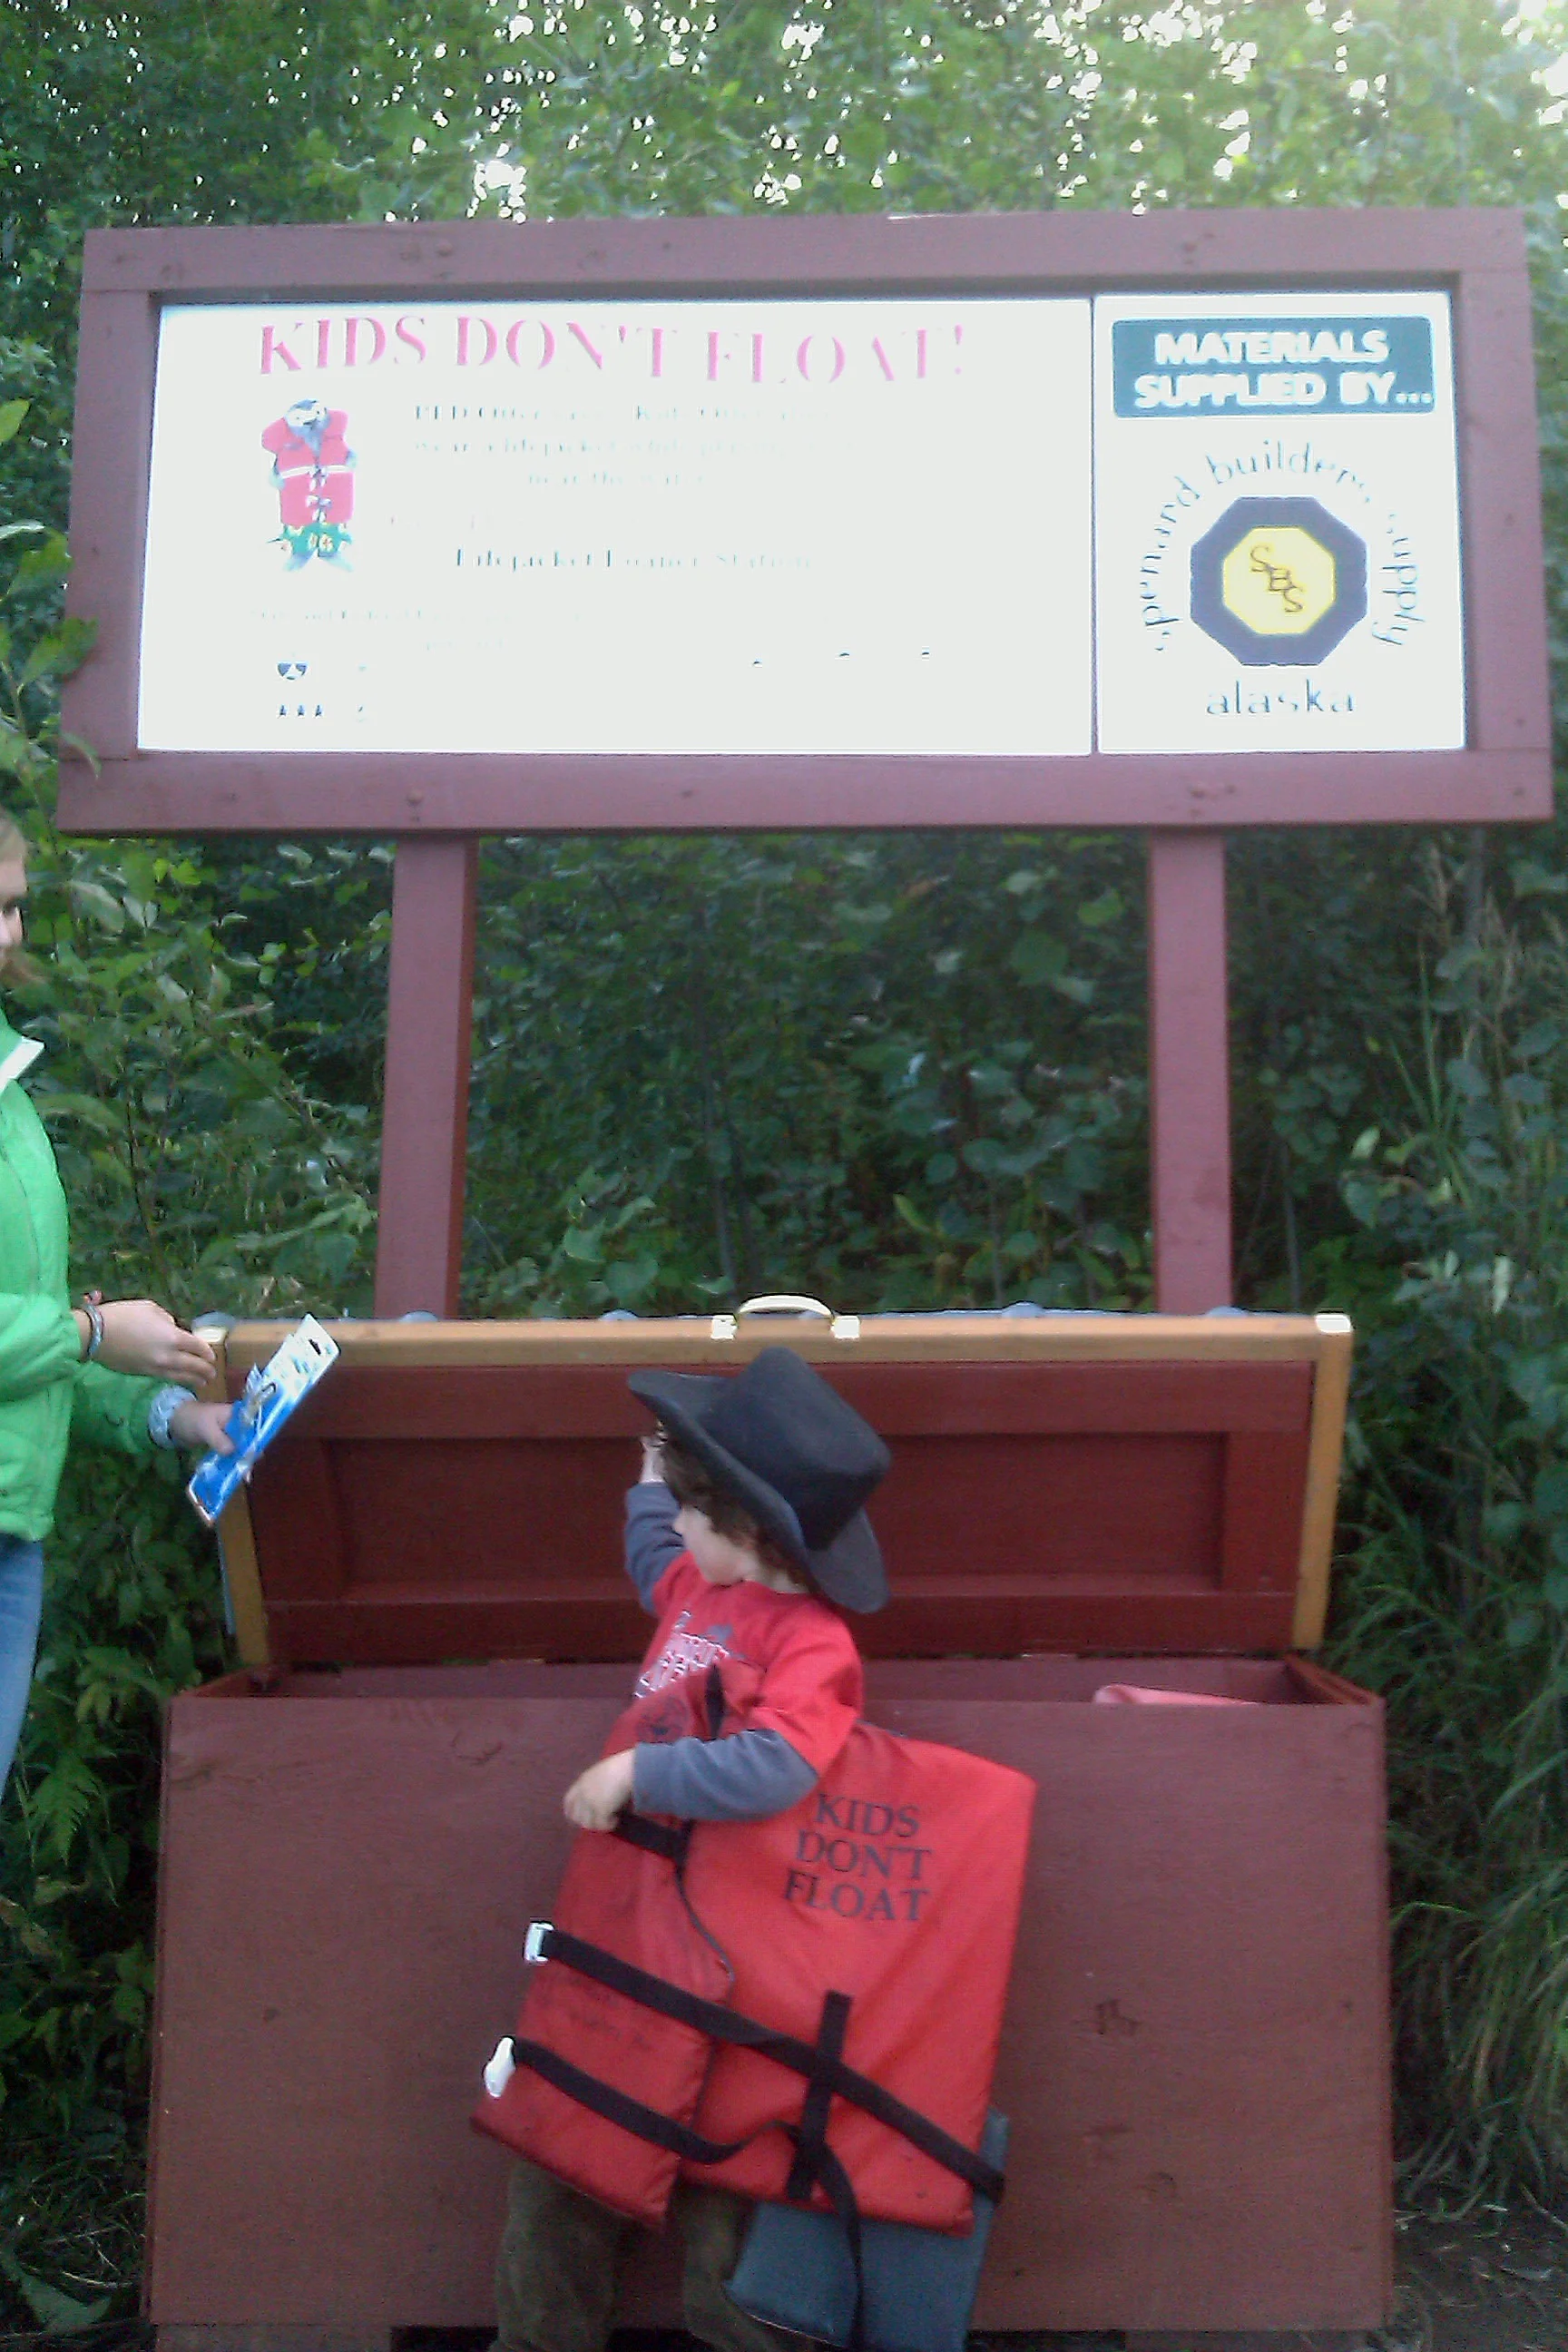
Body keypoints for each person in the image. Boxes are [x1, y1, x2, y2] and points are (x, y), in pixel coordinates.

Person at [493, 1342, 890, 2352]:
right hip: (632, 1947)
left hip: (736, 1972)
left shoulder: (811, 1643)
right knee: (565, 2155)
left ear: (746, 1532)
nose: (674, 1527)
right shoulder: (696, 1589)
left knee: (730, 2196)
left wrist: (641, 1773)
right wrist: (650, 1479)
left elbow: (781, 1764)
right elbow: (653, 1560)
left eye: (689, 1512)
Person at [0, 819, 233, 1799]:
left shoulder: (11, 1087)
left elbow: (33, 1331)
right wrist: (95, 1332)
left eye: (13, 907)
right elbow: (60, 1332)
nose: (9, 935)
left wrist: (173, 1410)